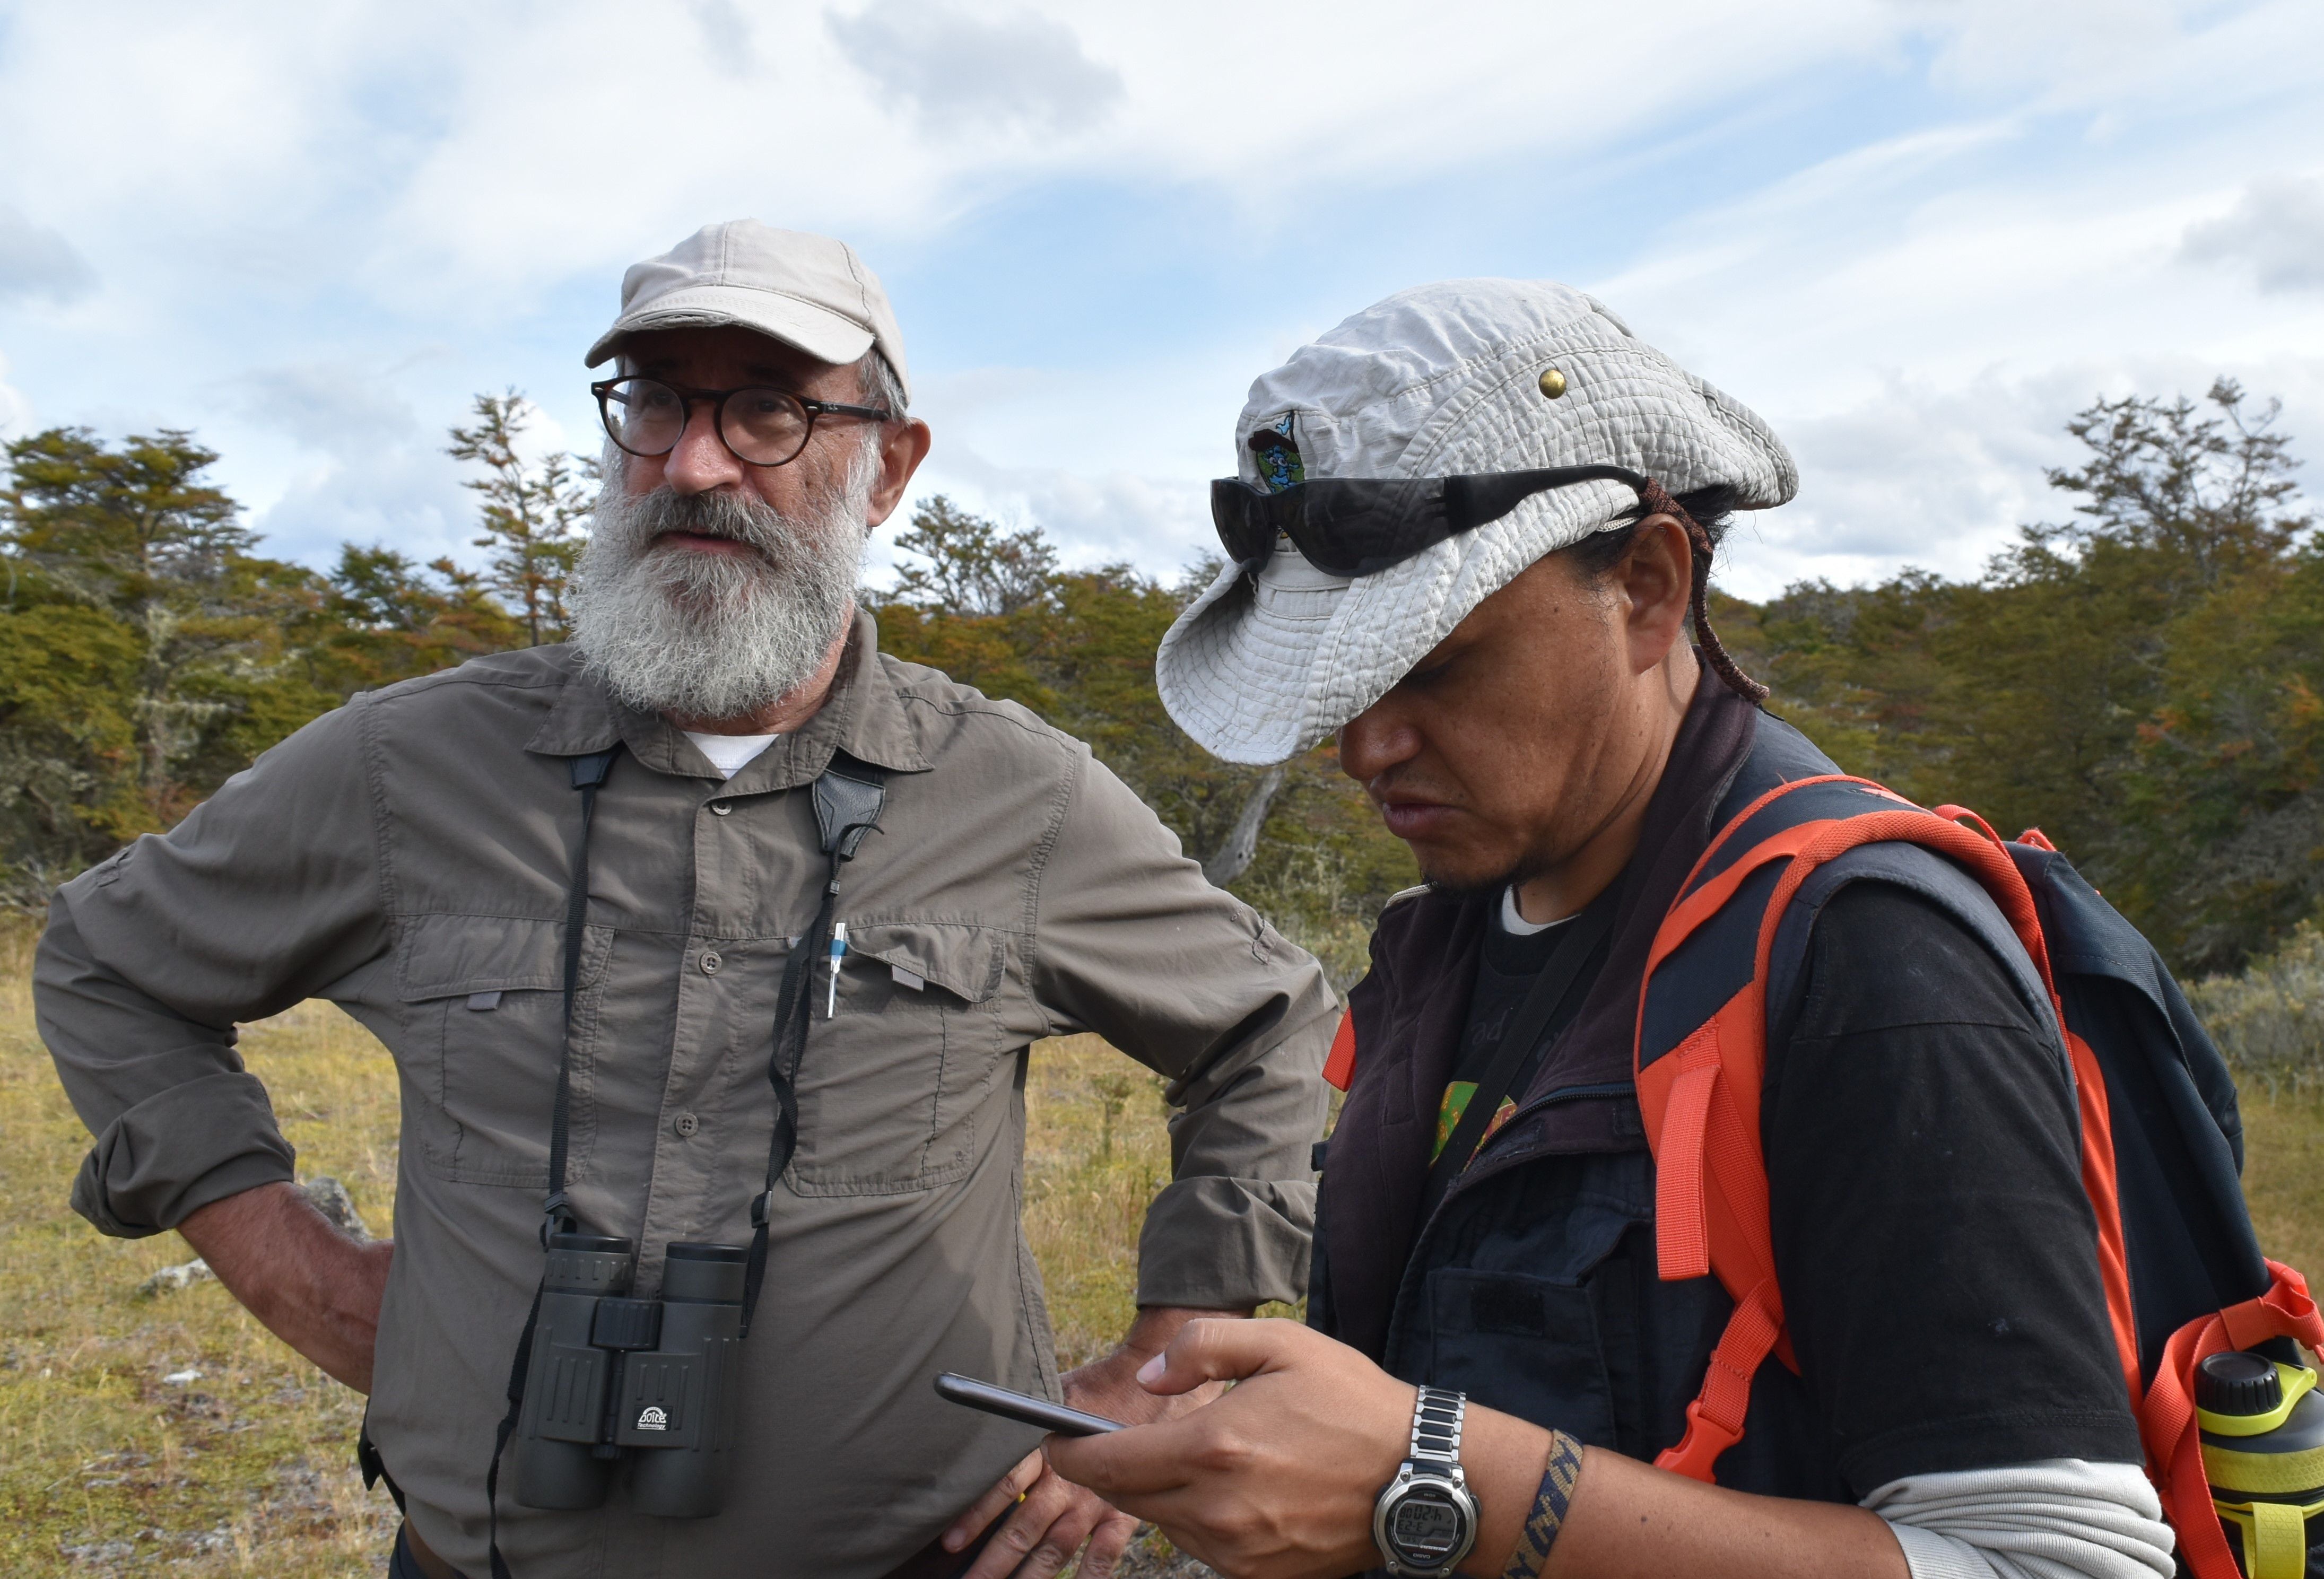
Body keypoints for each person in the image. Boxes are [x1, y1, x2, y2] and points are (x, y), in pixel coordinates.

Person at [34, 220, 1336, 1579]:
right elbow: (107, 959)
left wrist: (1160, 1366)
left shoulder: (1017, 796)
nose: (695, 462)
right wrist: (282, 1260)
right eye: (655, 402)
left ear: (888, 467)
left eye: (767, 409)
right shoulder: (408, 767)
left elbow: (1269, 1020)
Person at [1045, 280, 2180, 1579]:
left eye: (1434, 663)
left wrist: (1430, 1479)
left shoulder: (1869, 955)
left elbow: (2059, 1564)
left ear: (1646, 586)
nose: (1365, 745)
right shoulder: (1443, 942)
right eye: (1344, 683)